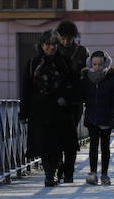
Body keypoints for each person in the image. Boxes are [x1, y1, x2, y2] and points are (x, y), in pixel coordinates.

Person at [19, 30, 78, 187]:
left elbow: (73, 84)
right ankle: (49, 175)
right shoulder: (33, 63)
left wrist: (66, 99)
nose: (51, 47)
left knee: (62, 144)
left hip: (61, 110)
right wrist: (24, 112)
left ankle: (62, 172)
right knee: (46, 145)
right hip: (40, 110)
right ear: (42, 45)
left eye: (54, 44)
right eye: (48, 44)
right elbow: (26, 88)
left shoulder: (65, 62)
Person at [80, 50, 114, 186]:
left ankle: (105, 174)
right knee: (93, 146)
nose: (97, 67)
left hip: (107, 118)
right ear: (90, 64)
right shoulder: (86, 80)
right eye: (94, 64)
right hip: (92, 118)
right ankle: (93, 173)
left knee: (105, 147)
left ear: (106, 64)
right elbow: (79, 98)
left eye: (100, 64)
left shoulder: (113, 81)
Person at [54, 20, 89, 183]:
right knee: (57, 135)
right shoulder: (54, 51)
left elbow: (87, 76)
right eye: (63, 38)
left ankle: (68, 171)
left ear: (73, 37)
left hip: (75, 100)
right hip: (57, 100)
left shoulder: (82, 52)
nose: (66, 41)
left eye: (68, 38)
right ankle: (60, 166)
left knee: (71, 136)